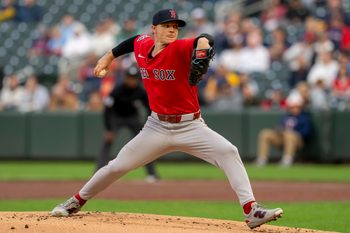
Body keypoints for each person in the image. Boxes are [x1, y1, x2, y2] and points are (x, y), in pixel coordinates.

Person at [50, 9, 283, 229]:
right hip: (156, 127)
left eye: (176, 27)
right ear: (154, 29)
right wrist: (108, 56)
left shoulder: (179, 48)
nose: (172, 30)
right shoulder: (143, 45)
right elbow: (132, 41)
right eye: (167, 26)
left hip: (191, 126)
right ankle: (75, 201)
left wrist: (203, 47)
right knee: (116, 167)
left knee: (229, 151)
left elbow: (204, 38)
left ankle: (251, 210)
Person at [96, 64, 160, 182]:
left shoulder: (140, 91)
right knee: (108, 141)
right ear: (125, 77)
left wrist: (150, 124)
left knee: (145, 145)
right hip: (117, 117)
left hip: (133, 117)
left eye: (134, 78)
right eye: (130, 77)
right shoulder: (117, 90)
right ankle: (98, 172)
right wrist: (109, 129)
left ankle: (152, 174)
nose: (132, 80)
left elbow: (150, 108)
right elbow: (107, 110)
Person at [255, 93, 312, 167]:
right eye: (292, 107)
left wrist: (293, 132)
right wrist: (279, 130)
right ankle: (262, 159)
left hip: (297, 141)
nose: (294, 109)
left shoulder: (304, 118)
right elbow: (280, 126)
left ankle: (287, 159)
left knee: (289, 135)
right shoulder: (286, 116)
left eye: (297, 107)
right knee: (265, 133)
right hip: (283, 138)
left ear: (300, 107)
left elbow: (306, 133)